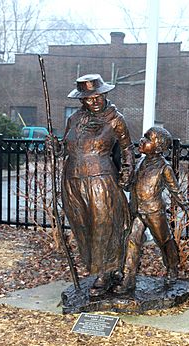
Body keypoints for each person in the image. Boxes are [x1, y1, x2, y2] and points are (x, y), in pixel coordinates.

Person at [61, 74, 135, 296]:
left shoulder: (115, 119)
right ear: (81, 100)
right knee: (83, 226)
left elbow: (127, 148)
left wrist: (127, 171)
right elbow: (65, 148)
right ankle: (96, 268)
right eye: (88, 98)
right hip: (72, 180)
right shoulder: (74, 120)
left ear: (104, 94)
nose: (94, 101)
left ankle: (107, 272)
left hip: (101, 180)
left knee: (104, 225)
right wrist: (54, 146)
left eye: (97, 97)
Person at [114, 126, 189, 294]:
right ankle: (128, 278)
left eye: (148, 139)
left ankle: (172, 267)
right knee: (132, 241)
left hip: (154, 212)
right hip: (137, 211)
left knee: (164, 241)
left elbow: (175, 190)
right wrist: (124, 182)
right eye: (144, 137)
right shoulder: (140, 163)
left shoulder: (164, 168)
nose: (142, 141)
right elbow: (132, 187)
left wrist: (188, 209)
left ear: (158, 148)